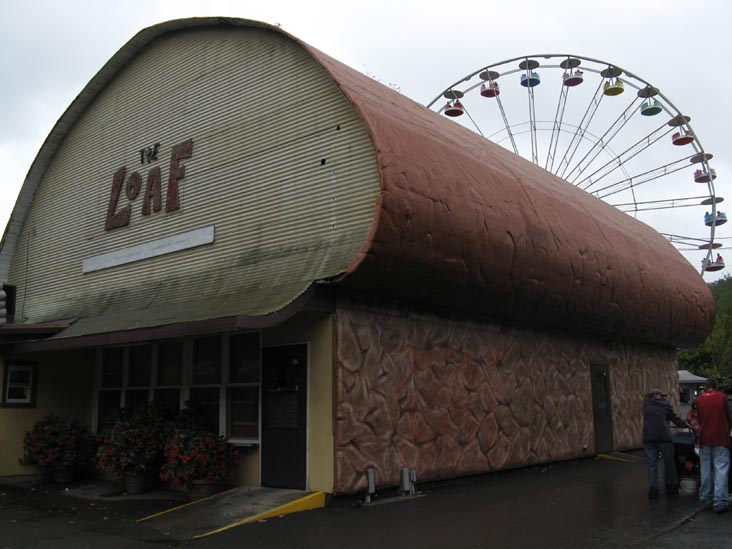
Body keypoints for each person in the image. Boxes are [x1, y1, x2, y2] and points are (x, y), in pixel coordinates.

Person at [642, 388, 687, 499]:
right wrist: (685, 425)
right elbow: (674, 418)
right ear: (656, 395)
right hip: (663, 438)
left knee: (652, 465)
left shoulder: (646, 406)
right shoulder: (665, 405)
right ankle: (672, 488)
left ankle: (653, 489)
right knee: (669, 463)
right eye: (662, 396)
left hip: (648, 438)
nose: (664, 398)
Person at [695, 378, 732, 513]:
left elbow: (698, 418)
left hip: (704, 438)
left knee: (705, 470)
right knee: (721, 469)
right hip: (720, 437)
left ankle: (706, 498)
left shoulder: (699, 399)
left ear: (705, 387)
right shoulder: (721, 398)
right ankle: (720, 501)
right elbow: (729, 417)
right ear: (716, 386)